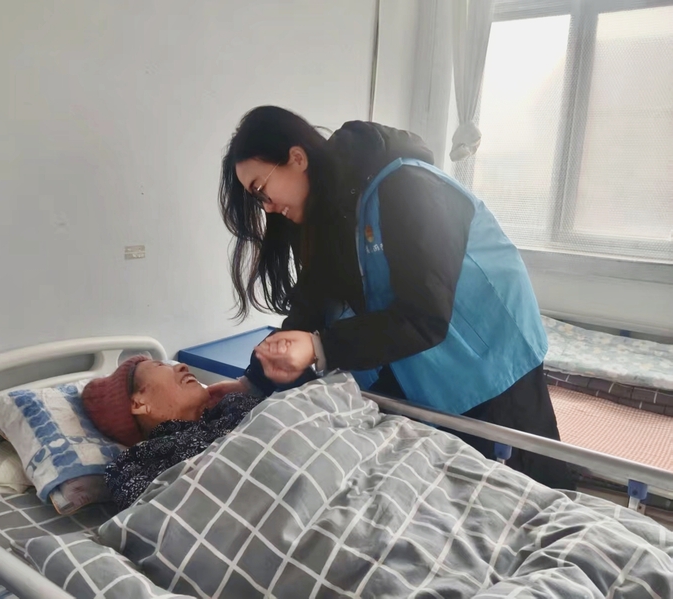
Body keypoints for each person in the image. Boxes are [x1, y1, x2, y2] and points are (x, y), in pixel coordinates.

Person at [213, 105, 573, 490]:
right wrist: (253, 381)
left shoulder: (408, 186)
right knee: (463, 497)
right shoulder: (332, 217)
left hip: (493, 367)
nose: (267, 207)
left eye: (261, 190)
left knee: (532, 492)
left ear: (297, 159)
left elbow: (425, 314)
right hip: (427, 377)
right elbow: (309, 307)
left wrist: (320, 347)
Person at [82, 356, 266, 509]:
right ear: (139, 403)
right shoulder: (133, 465)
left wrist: (251, 386)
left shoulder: (232, 405)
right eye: (160, 366)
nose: (182, 366)